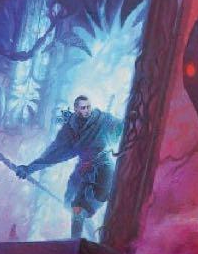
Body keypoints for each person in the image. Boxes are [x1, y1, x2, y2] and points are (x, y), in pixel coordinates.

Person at [15, 95, 124, 238]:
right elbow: (53, 155)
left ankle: (87, 236)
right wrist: (29, 168)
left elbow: (123, 129)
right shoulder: (70, 131)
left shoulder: (103, 120)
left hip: (104, 169)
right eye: (83, 108)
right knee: (73, 203)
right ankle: (76, 239)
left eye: (88, 107)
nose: (86, 111)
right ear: (76, 110)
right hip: (84, 171)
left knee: (87, 203)